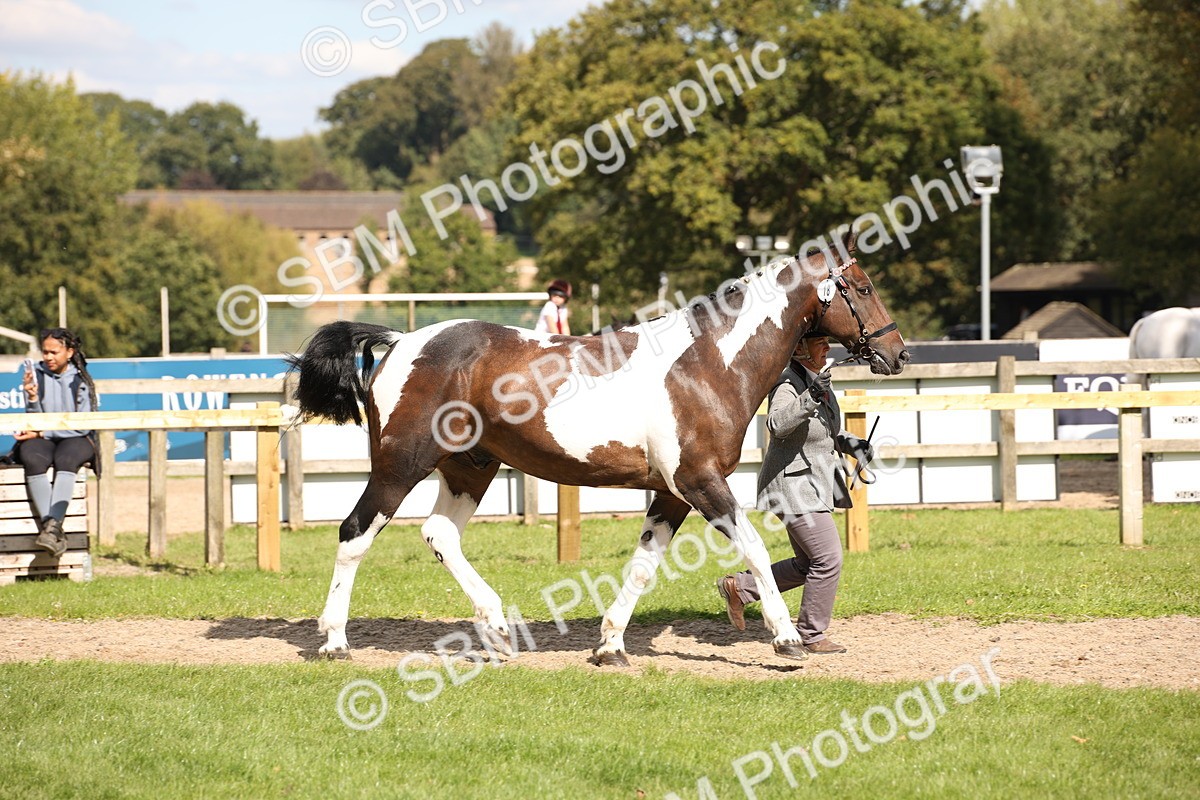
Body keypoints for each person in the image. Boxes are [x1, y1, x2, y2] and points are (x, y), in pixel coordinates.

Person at [716, 333, 873, 654]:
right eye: (821, 343)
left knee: (807, 564)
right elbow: (776, 424)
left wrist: (851, 443)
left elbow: (822, 433)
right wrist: (810, 396)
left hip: (811, 484)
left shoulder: (816, 382)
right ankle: (811, 635)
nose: (828, 347)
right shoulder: (787, 383)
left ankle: (741, 586)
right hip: (793, 486)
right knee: (827, 559)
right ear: (800, 349)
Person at [14, 328, 99, 557]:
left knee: (66, 459)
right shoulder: (37, 375)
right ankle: (53, 530)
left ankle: (51, 529)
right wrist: (32, 398)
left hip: (76, 438)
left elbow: (82, 426)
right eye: (45, 352)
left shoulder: (82, 380)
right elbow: (35, 420)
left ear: (69, 352)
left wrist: (43, 434)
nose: (48, 357)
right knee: (31, 456)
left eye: (54, 352)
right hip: (45, 436)